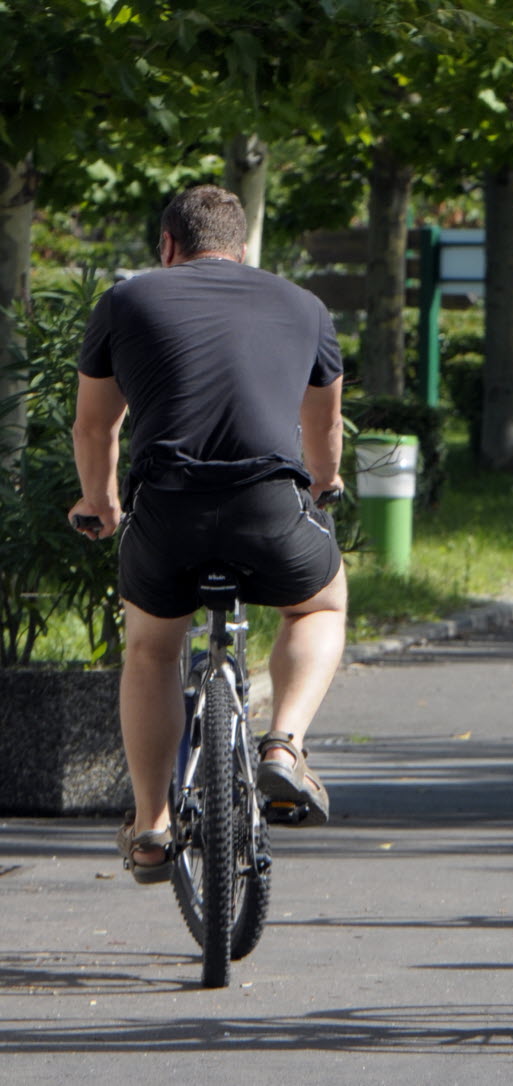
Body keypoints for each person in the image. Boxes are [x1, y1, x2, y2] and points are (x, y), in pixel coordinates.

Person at [70, 184, 348, 884]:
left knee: (152, 651)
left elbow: (96, 425)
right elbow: (324, 428)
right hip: (268, 507)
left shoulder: (126, 301)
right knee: (319, 604)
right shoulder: (304, 305)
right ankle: (283, 745)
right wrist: (323, 484)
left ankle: (151, 827)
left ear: (167, 246)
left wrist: (100, 504)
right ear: (244, 246)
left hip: (167, 508)